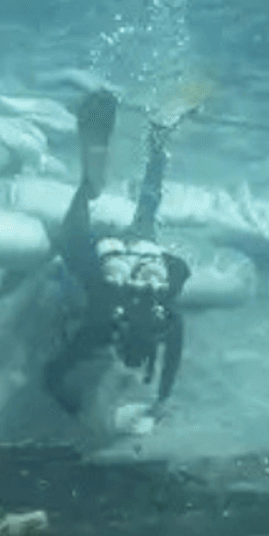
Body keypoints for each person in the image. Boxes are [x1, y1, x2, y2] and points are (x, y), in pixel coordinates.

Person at [42, 88, 191, 418]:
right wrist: (73, 411)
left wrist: (162, 397)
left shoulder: (166, 317)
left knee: (146, 212)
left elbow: (171, 363)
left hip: (134, 257)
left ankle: (158, 138)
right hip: (107, 258)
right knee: (79, 228)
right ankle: (111, 154)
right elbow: (52, 375)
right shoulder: (98, 330)